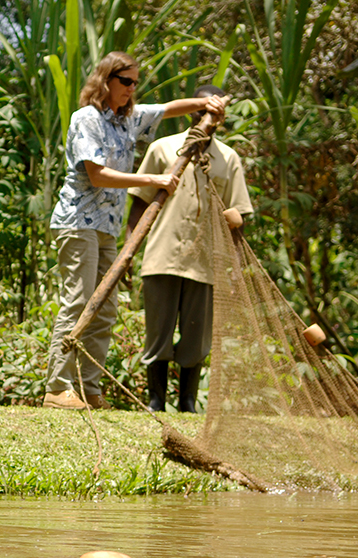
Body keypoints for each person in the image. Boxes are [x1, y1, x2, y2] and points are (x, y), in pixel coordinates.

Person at [43, 51, 227, 410]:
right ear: (105, 80)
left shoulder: (128, 120)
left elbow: (170, 108)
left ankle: (87, 388)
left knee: (106, 308)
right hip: (78, 222)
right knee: (78, 301)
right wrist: (152, 178)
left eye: (135, 82)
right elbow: (97, 175)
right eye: (125, 81)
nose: (131, 88)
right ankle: (57, 387)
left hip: (106, 228)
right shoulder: (88, 119)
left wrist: (206, 102)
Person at [129, 85, 252, 413]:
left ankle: (187, 401)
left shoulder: (228, 159)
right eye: (200, 109)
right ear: (192, 110)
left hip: (205, 260)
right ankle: (155, 400)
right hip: (162, 254)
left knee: (197, 338)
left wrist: (235, 258)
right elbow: (139, 204)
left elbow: (239, 213)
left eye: (212, 112)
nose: (205, 117)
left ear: (221, 117)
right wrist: (130, 248)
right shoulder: (163, 149)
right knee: (158, 332)